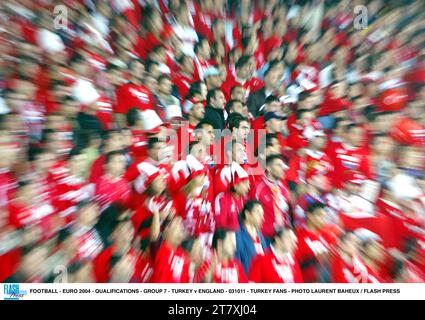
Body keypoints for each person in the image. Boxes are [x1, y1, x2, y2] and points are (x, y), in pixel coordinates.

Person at [252, 154, 290, 240]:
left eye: (282, 165)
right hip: (264, 235)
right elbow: (251, 212)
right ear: (268, 168)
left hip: (281, 236)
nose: (282, 168)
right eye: (279, 165)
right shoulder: (258, 187)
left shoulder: (283, 188)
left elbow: (286, 213)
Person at [151, 216, 190, 283]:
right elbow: (154, 236)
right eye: (175, 225)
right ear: (166, 230)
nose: (179, 225)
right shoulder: (160, 248)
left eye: (181, 228)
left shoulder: (185, 256)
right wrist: (157, 213)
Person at [235, 200, 267, 274]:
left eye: (262, 214)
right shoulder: (238, 234)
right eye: (258, 213)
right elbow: (237, 261)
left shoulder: (259, 235)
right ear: (247, 214)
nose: (261, 216)